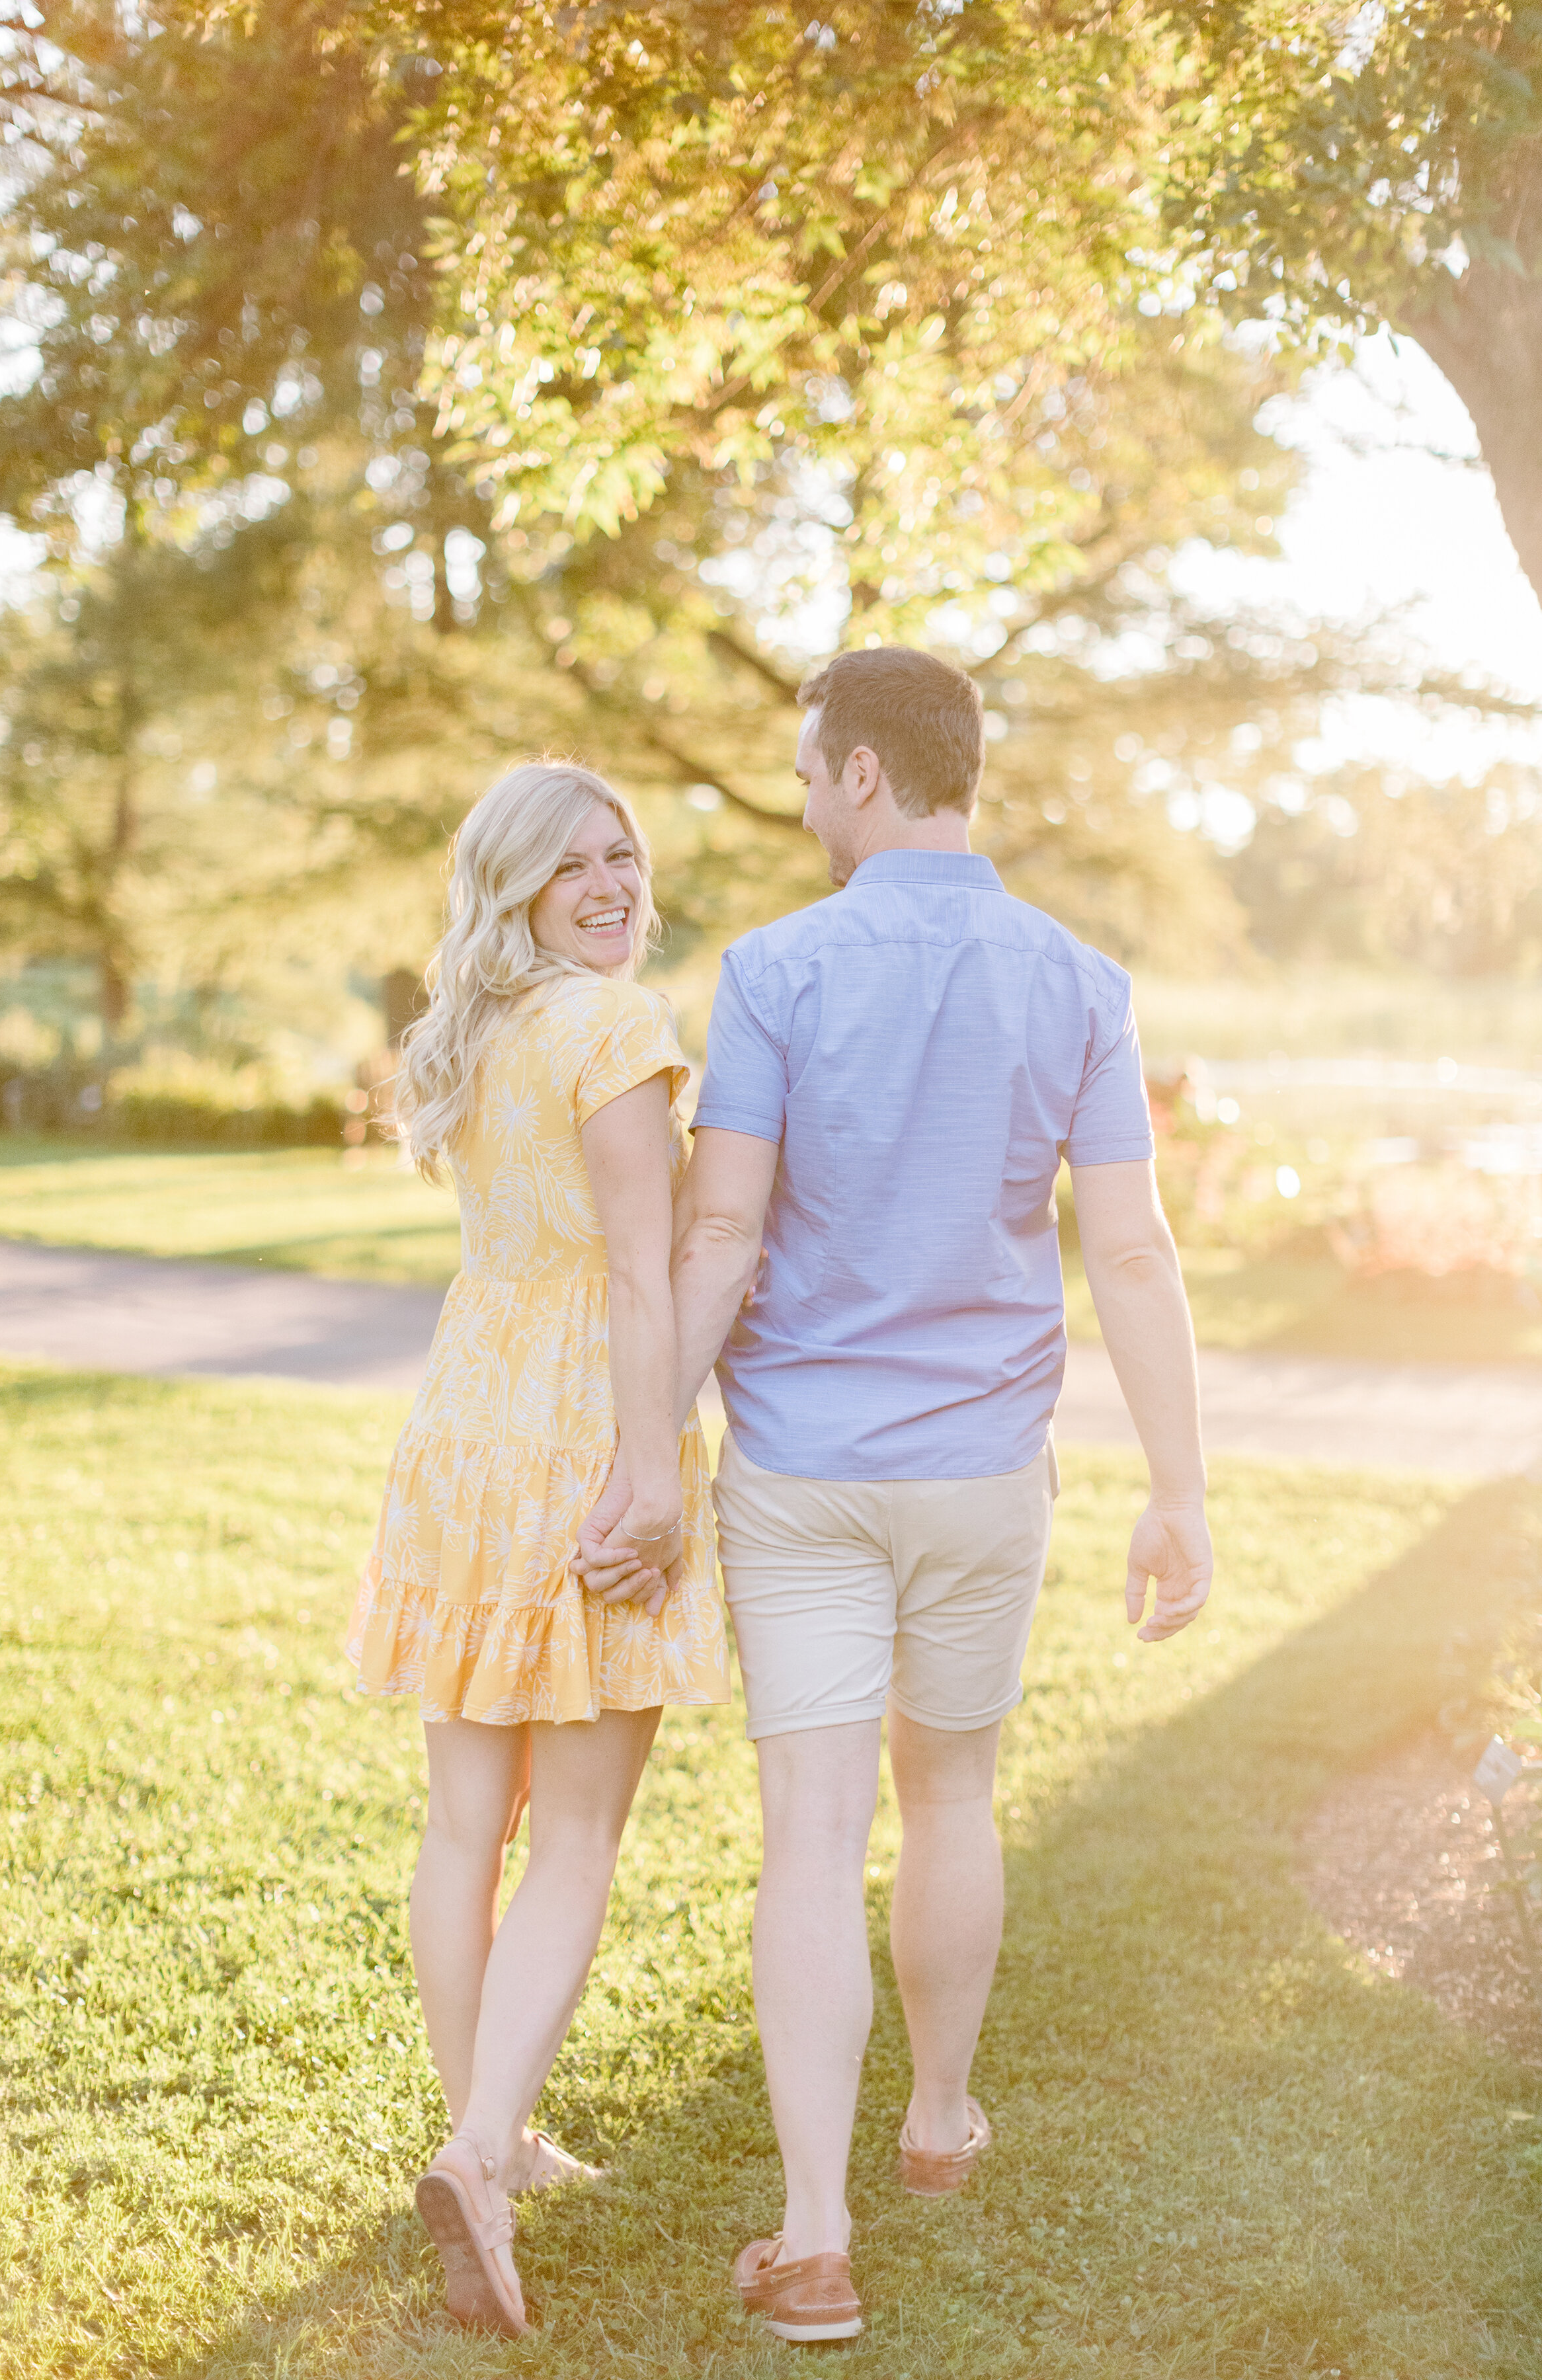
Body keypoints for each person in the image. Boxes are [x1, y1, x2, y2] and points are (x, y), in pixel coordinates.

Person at [582, 646, 1214, 2346]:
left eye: (806, 773)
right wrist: (1182, 1489)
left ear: (864, 772)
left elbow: (719, 1231)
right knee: (951, 1797)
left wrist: (651, 1453)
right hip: (983, 1471)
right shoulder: (1082, 980)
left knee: (811, 1837)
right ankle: (937, 2119)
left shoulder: (778, 968)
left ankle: (814, 2236)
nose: (799, 804)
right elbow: (1134, 1251)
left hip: (800, 1471)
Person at [347, 761, 729, 2338]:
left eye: (624, 856)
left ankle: (481, 2126)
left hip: (463, 1434)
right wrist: (653, 1473)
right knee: (568, 1838)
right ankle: (484, 2151)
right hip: (580, 1441)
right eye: (574, 865)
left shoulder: (477, 1029)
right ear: (511, 886)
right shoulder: (611, 1028)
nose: (611, 884)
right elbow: (647, 1280)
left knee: (464, 1827)